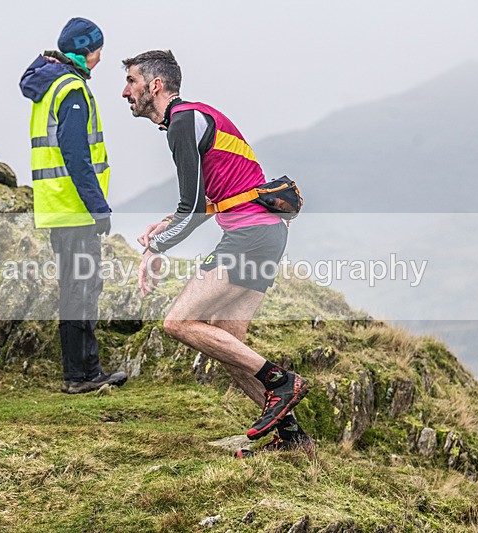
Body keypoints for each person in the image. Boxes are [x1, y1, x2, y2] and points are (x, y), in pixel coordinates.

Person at [121, 50, 313, 455]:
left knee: (177, 321)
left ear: (155, 85)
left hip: (249, 237)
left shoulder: (183, 121)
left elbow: (192, 206)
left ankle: (281, 381)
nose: (126, 92)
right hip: (266, 234)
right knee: (229, 345)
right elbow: (211, 197)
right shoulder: (194, 118)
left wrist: (156, 247)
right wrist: (165, 224)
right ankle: (292, 439)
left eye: (132, 82)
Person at [20, 18, 126, 394]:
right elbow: (78, 156)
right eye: (98, 50)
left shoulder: (50, 83)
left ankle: (80, 372)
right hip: (76, 208)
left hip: (59, 207)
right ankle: (83, 375)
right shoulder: (72, 89)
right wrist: (99, 207)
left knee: (75, 288)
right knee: (82, 290)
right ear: (86, 51)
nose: (100, 58)